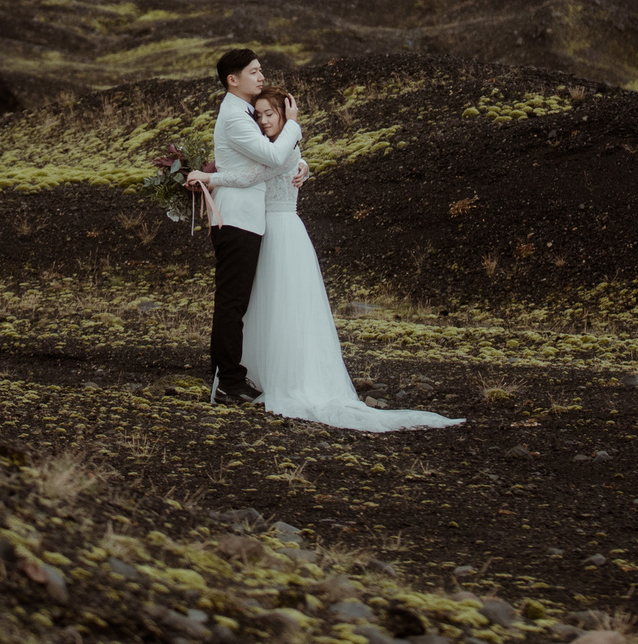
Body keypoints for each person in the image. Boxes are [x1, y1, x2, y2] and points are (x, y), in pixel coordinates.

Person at [227, 87, 460, 432]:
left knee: (287, 306)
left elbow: (259, 172)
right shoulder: (278, 147)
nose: (262, 121)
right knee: (268, 305)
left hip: (282, 232)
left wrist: (210, 175)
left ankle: (289, 377)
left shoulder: (283, 148)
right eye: (258, 115)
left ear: (284, 112)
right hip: (268, 230)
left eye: (269, 114)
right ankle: (263, 370)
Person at [185, 48, 303, 404]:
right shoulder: (235, 117)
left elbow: (270, 161)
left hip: (248, 218)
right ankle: (227, 382)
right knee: (232, 303)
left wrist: (302, 163)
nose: (261, 76)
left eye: (261, 70)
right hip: (236, 218)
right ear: (232, 80)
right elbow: (270, 156)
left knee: (237, 302)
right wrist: (294, 125)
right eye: (254, 71)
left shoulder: (244, 112)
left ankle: (233, 376)